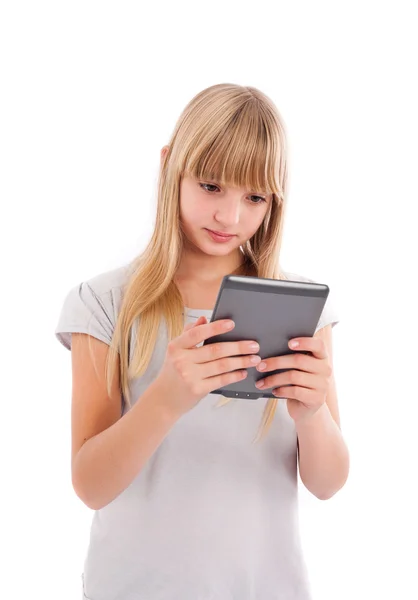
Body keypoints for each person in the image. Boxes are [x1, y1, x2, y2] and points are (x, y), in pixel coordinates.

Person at [55, 83, 349, 600]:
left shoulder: (303, 311)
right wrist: (165, 400)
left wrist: (312, 414)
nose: (229, 217)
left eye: (254, 196)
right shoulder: (103, 304)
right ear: (171, 164)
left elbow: (328, 483)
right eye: (211, 185)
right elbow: (90, 484)